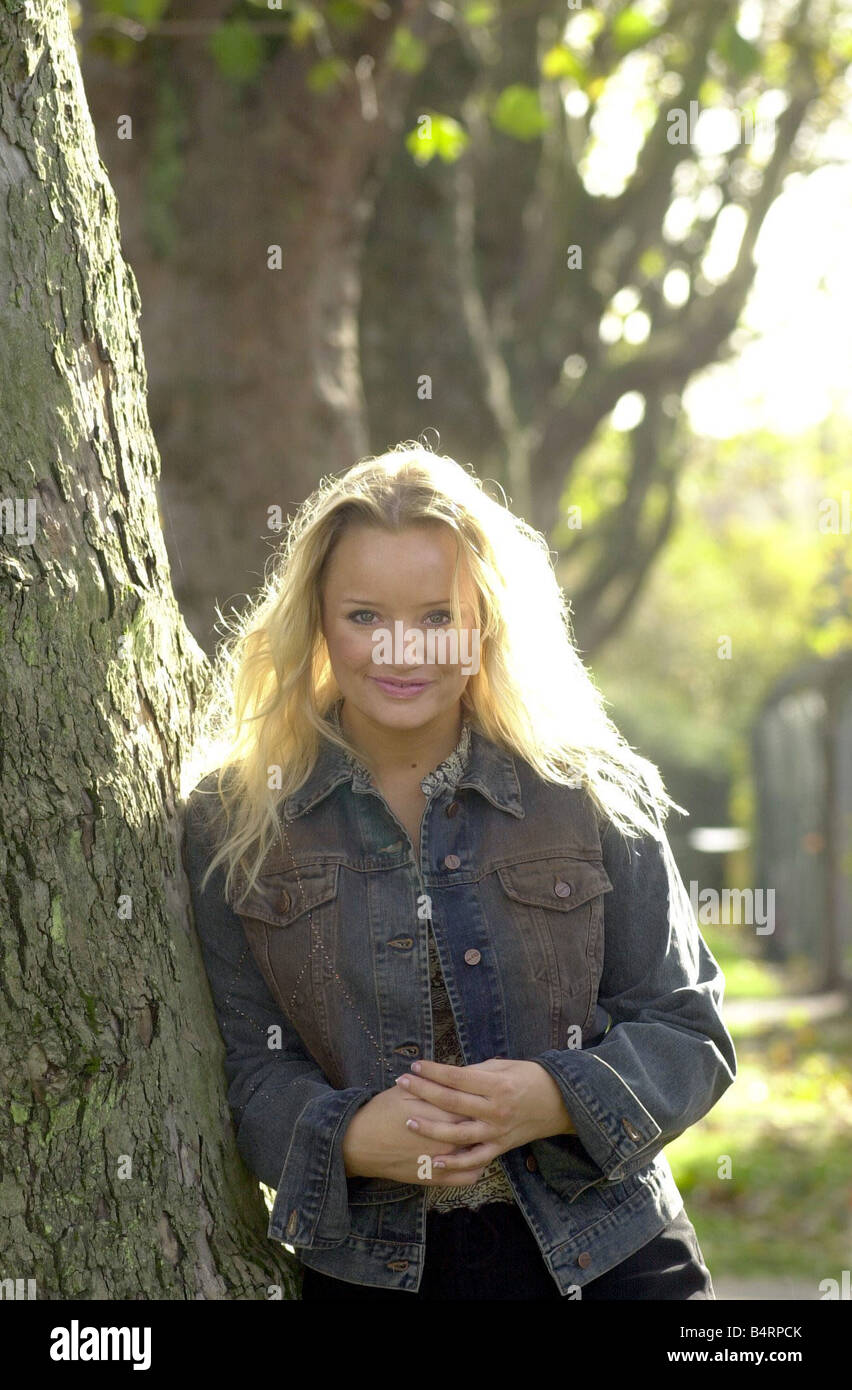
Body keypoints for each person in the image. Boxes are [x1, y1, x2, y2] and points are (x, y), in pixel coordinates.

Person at [182, 440, 737, 1300]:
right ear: (317, 622)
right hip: (371, 1273)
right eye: (364, 615)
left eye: (437, 617)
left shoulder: (590, 789)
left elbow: (687, 1026)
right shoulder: (235, 818)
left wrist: (552, 1097)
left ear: (485, 622)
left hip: (614, 1256)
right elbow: (245, 1068)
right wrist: (353, 1135)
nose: (401, 650)